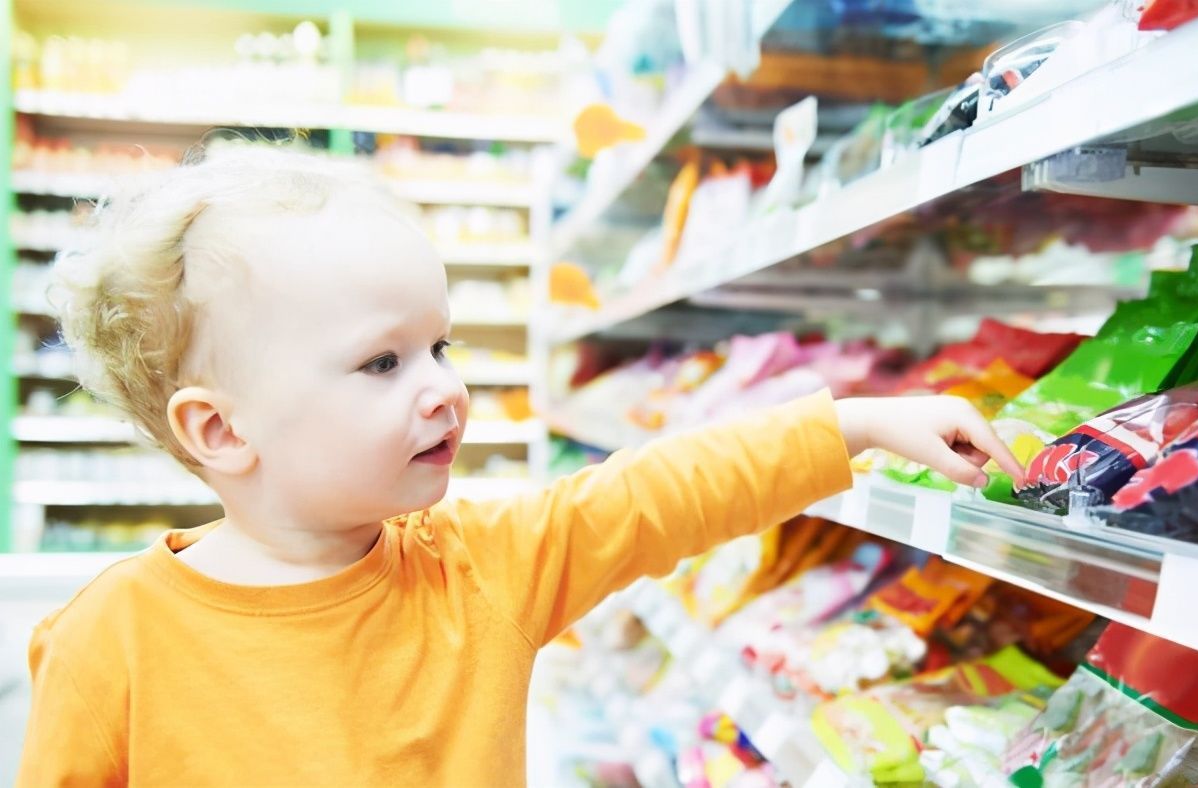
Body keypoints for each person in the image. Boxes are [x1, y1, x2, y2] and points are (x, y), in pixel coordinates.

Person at [17, 145, 1023, 786]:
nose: (442, 388)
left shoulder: (482, 569)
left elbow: (658, 492)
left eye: (439, 348)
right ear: (224, 432)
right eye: (382, 361)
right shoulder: (114, 638)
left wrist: (851, 423)